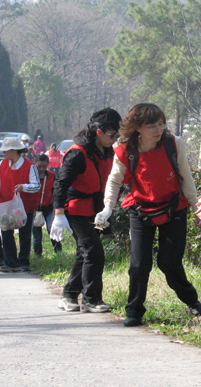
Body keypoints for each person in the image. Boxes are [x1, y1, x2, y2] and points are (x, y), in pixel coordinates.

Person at [95, 103, 201, 327]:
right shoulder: (124, 150)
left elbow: (186, 177)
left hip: (174, 208)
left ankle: (192, 302)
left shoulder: (174, 144)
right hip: (140, 210)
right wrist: (107, 208)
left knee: (169, 263)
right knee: (139, 264)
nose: (158, 130)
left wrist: (196, 207)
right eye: (152, 126)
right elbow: (114, 182)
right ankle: (134, 311)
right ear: (137, 128)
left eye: (161, 124)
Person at [51, 108, 121, 313]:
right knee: (94, 251)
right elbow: (60, 184)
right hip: (75, 210)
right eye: (112, 135)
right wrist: (58, 215)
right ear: (99, 131)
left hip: (97, 210)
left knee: (85, 253)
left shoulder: (107, 151)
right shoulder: (77, 153)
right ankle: (91, 299)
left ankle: (69, 295)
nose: (115, 139)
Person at [0, 137, 40, 272]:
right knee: (6, 233)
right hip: (5, 205)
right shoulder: (2, 164)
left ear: (14, 150)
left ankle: (24, 262)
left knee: (25, 235)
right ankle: (10, 262)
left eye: (5, 150)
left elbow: (36, 186)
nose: (3, 153)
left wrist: (24, 187)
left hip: (25, 207)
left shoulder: (30, 166)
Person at [32, 154, 61, 256]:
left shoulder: (52, 176)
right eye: (39, 166)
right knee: (37, 235)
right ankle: (38, 255)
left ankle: (58, 250)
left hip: (48, 207)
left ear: (48, 165)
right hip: (34, 209)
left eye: (44, 166)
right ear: (34, 164)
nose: (41, 169)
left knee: (51, 228)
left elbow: (56, 191)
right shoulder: (30, 176)